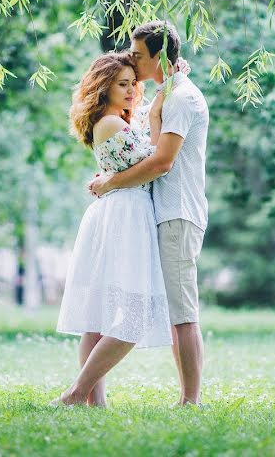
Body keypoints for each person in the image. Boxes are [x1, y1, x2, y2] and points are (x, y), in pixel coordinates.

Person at [89, 21, 209, 406]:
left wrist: (110, 182)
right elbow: (143, 141)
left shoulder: (181, 98)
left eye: (139, 54)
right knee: (176, 310)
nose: (133, 60)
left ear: (159, 55)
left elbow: (161, 162)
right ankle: (183, 399)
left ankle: (190, 401)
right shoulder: (167, 95)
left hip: (177, 212)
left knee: (183, 311)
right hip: (159, 213)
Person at [53, 52, 172, 407]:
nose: (131, 90)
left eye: (133, 83)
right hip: (126, 212)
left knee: (101, 316)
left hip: (125, 209)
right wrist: (161, 102)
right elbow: (153, 160)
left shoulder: (119, 120)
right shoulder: (110, 123)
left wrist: (156, 101)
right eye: (122, 85)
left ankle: (93, 402)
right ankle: (77, 393)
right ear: (103, 89)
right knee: (132, 315)